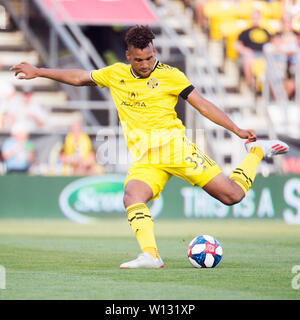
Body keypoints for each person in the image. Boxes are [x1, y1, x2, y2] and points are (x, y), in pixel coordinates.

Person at [10, 25, 289, 269]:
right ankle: (150, 255)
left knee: (232, 196)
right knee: (132, 196)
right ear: (128, 56)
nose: (145, 64)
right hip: (146, 158)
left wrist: (237, 130)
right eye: (140, 59)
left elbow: (203, 105)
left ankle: (256, 153)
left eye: (150, 58)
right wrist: (39, 71)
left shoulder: (171, 76)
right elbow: (79, 77)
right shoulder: (115, 74)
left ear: (154, 52)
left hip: (177, 149)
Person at [235, 10, 271, 89]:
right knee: (248, 59)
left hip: (263, 54)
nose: (255, 20)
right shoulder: (245, 32)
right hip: (250, 54)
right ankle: (251, 86)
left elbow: (272, 44)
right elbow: (237, 45)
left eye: (257, 18)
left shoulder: (266, 32)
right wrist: (245, 51)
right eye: (254, 18)